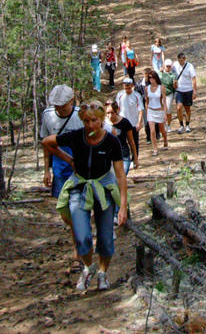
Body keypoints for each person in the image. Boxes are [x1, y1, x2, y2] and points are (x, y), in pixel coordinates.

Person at [42, 101, 128, 291]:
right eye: (87, 121)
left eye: (95, 121)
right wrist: (68, 159)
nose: (90, 125)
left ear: (102, 119)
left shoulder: (111, 141)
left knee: (106, 239)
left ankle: (103, 273)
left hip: (104, 188)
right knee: (82, 236)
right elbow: (47, 142)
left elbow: (120, 174)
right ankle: (87, 268)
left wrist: (122, 206)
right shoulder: (76, 137)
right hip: (79, 187)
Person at [40, 84, 83, 198]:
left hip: (80, 165)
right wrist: (46, 171)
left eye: (63, 106)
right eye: (56, 106)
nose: (59, 109)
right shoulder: (47, 115)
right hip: (59, 166)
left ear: (71, 100)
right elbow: (45, 144)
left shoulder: (81, 115)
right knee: (62, 200)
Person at [105, 100, 137, 173]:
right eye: (108, 113)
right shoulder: (103, 124)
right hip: (109, 156)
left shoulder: (125, 122)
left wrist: (135, 157)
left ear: (116, 111)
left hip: (123, 154)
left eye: (112, 112)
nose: (110, 115)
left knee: (121, 175)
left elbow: (131, 141)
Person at [115, 77, 144, 156]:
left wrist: (139, 123)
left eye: (128, 85)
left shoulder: (136, 95)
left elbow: (140, 110)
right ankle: (124, 158)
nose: (127, 87)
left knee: (134, 142)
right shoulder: (120, 95)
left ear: (131, 85)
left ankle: (135, 158)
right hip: (122, 123)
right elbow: (117, 109)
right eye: (125, 85)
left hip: (133, 123)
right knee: (122, 142)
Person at [144, 70, 168, 155]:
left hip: (159, 110)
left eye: (153, 77)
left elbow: (164, 102)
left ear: (156, 78)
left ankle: (165, 139)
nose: (151, 79)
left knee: (162, 130)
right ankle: (155, 149)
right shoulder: (147, 88)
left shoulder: (161, 88)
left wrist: (165, 113)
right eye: (149, 77)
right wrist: (147, 111)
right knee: (152, 131)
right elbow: (146, 100)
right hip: (151, 110)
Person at [172, 52, 197, 133]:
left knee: (187, 108)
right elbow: (169, 71)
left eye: (182, 60)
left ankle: (187, 124)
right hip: (179, 90)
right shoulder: (175, 65)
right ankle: (181, 125)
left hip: (188, 90)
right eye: (179, 60)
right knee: (179, 107)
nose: (181, 62)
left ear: (185, 59)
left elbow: (193, 79)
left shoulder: (190, 66)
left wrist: (194, 91)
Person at [159, 58, 176, 125]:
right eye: (167, 66)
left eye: (169, 66)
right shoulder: (160, 73)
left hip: (169, 94)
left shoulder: (173, 75)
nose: (168, 68)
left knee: (168, 110)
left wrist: (175, 84)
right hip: (160, 95)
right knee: (161, 111)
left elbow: (175, 86)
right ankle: (162, 126)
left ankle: (168, 125)